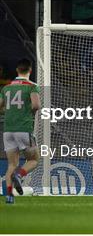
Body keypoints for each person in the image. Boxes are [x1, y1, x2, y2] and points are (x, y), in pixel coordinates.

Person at [0, 59, 41, 204]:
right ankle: (19, 175)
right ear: (29, 71)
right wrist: (24, 113)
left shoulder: (6, 88)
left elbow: (1, 107)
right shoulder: (32, 86)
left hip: (8, 130)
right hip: (24, 129)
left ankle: (10, 196)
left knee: (11, 164)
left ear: (17, 70)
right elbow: (36, 105)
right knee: (34, 159)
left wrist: (10, 112)